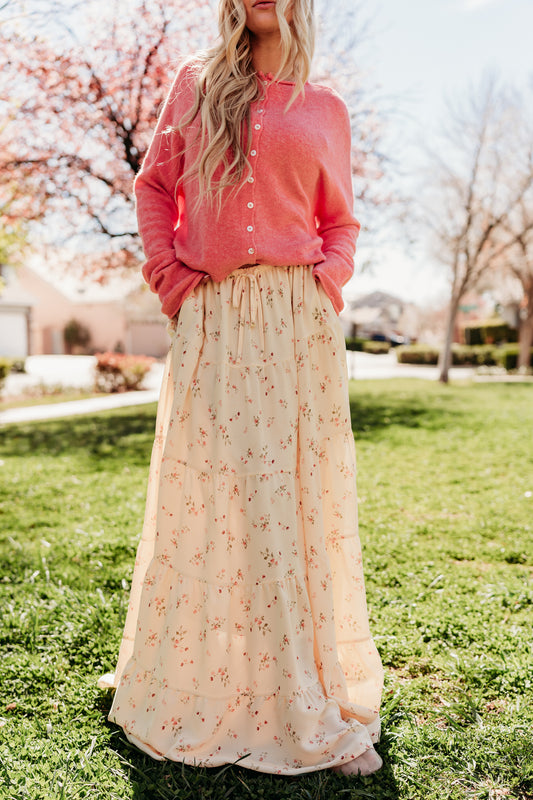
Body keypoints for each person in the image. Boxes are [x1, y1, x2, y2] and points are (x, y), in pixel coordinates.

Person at [100, 0, 384, 776]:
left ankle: (300, 696)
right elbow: (154, 187)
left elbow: (341, 222)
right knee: (208, 498)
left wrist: (324, 282)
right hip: (214, 316)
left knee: (290, 504)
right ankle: (180, 677)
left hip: (297, 321)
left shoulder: (325, 108)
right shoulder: (193, 84)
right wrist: (170, 279)